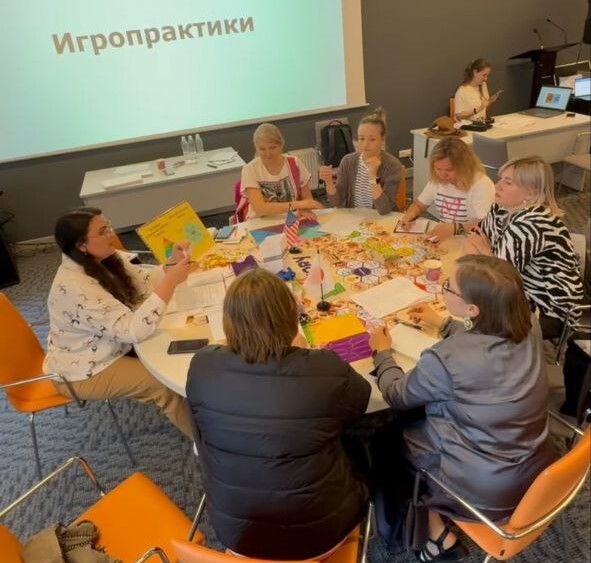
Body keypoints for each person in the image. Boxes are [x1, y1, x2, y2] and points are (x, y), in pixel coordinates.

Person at [369, 255, 556, 562]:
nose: (443, 289)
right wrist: (444, 324)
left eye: (448, 287)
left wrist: (382, 353)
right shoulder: (529, 323)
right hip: (536, 467)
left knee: (383, 439)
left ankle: (428, 534)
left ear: (473, 309)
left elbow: (396, 395)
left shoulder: (445, 359)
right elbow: (487, 343)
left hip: (486, 490)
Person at [186, 268, 370, 560]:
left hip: (237, 535)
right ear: (291, 317)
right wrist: (304, 352)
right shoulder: (324, 367)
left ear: (228, 323)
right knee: (364, 440)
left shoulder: (202, 365)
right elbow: (360, 403)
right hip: (320, 536)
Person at [44, 207, 193, 437]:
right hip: (85, 369)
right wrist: (170, 282)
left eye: (109, 227)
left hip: (111, 345)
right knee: (162, 384)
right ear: (81, 245)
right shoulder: (76, 287)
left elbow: (142, 282)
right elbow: (133, 330)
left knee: (179, 351)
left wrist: (171, 264)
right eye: (103, 232)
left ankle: (205, 415)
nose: (112, 235)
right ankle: (207, 445)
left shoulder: (103, 257)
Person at [464, 155, 583, 339]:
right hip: (517, 290)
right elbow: (474, 240)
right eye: (501, 178)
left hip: (548, 308)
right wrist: (487, 255)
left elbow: (498, 278)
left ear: (530, 193)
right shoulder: (500, 207)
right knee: (461, 299)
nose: (497, 185)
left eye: (508, 182)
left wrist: (486, 251)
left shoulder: (532, 223)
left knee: (472, 318)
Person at [400, 137, 494, 240]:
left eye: (449, 170)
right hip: (445, 237)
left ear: (465, 166)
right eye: (438, 169)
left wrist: (454, 228)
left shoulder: (481, 184)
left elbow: (488, 225)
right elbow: (419, 205)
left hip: (472, 240)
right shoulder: (437, 179)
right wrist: (409, 215)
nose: (442, 175)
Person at [319, 107, 403, 215]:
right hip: (355, 218)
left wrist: (373, 176)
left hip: (381, 219)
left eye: (372, 139)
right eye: (362, 139)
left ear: (382, 140)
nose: (365, 144)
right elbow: (336, 202)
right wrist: (329, 182)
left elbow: (384, 209)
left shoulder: (392, 165)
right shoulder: (348, 161)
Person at [240, 122, 323, 219]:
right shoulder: (250, 169)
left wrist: (304, 208)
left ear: (281, 145)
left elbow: (307, 199)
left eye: (272, 148)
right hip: (261, 221)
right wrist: (298, 205)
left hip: (292, 219)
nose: (268, 154)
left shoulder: (294, 163)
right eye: (262, 149)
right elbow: (260, 209)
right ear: (256, 148)